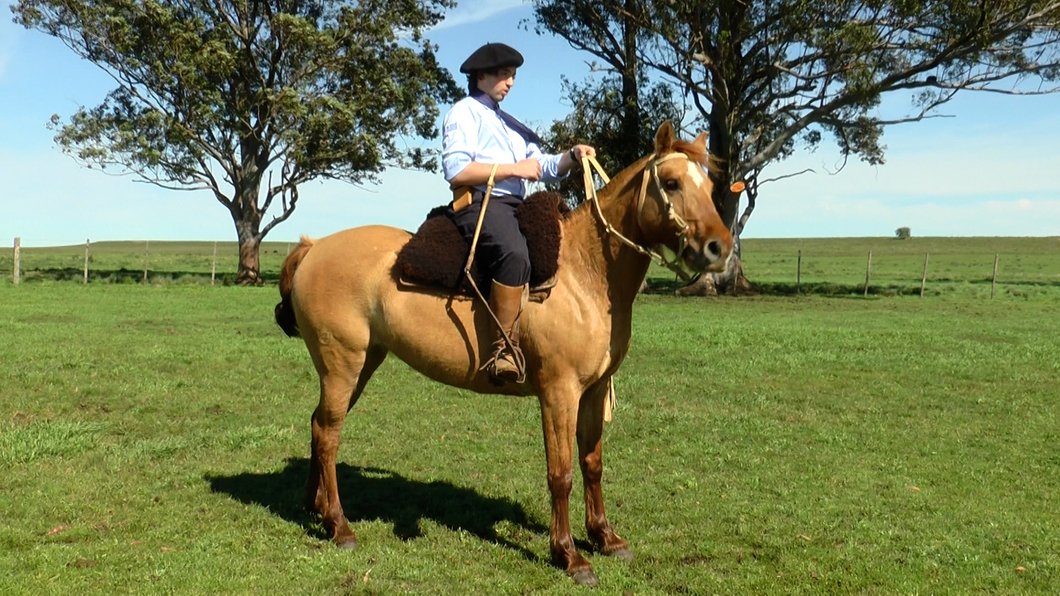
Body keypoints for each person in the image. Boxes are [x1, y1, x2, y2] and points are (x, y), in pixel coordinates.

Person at [443, 42, 596, 385]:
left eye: (512, 76)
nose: (510, 82)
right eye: (503, 75)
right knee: (515, 254)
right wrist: (512, 170)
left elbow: (540, 165)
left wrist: (572, 154)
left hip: (515, 203)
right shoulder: (463, 113)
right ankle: (503, 349)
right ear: (481, 76)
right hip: (482, 203)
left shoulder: (511, 123)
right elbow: (457, 170)